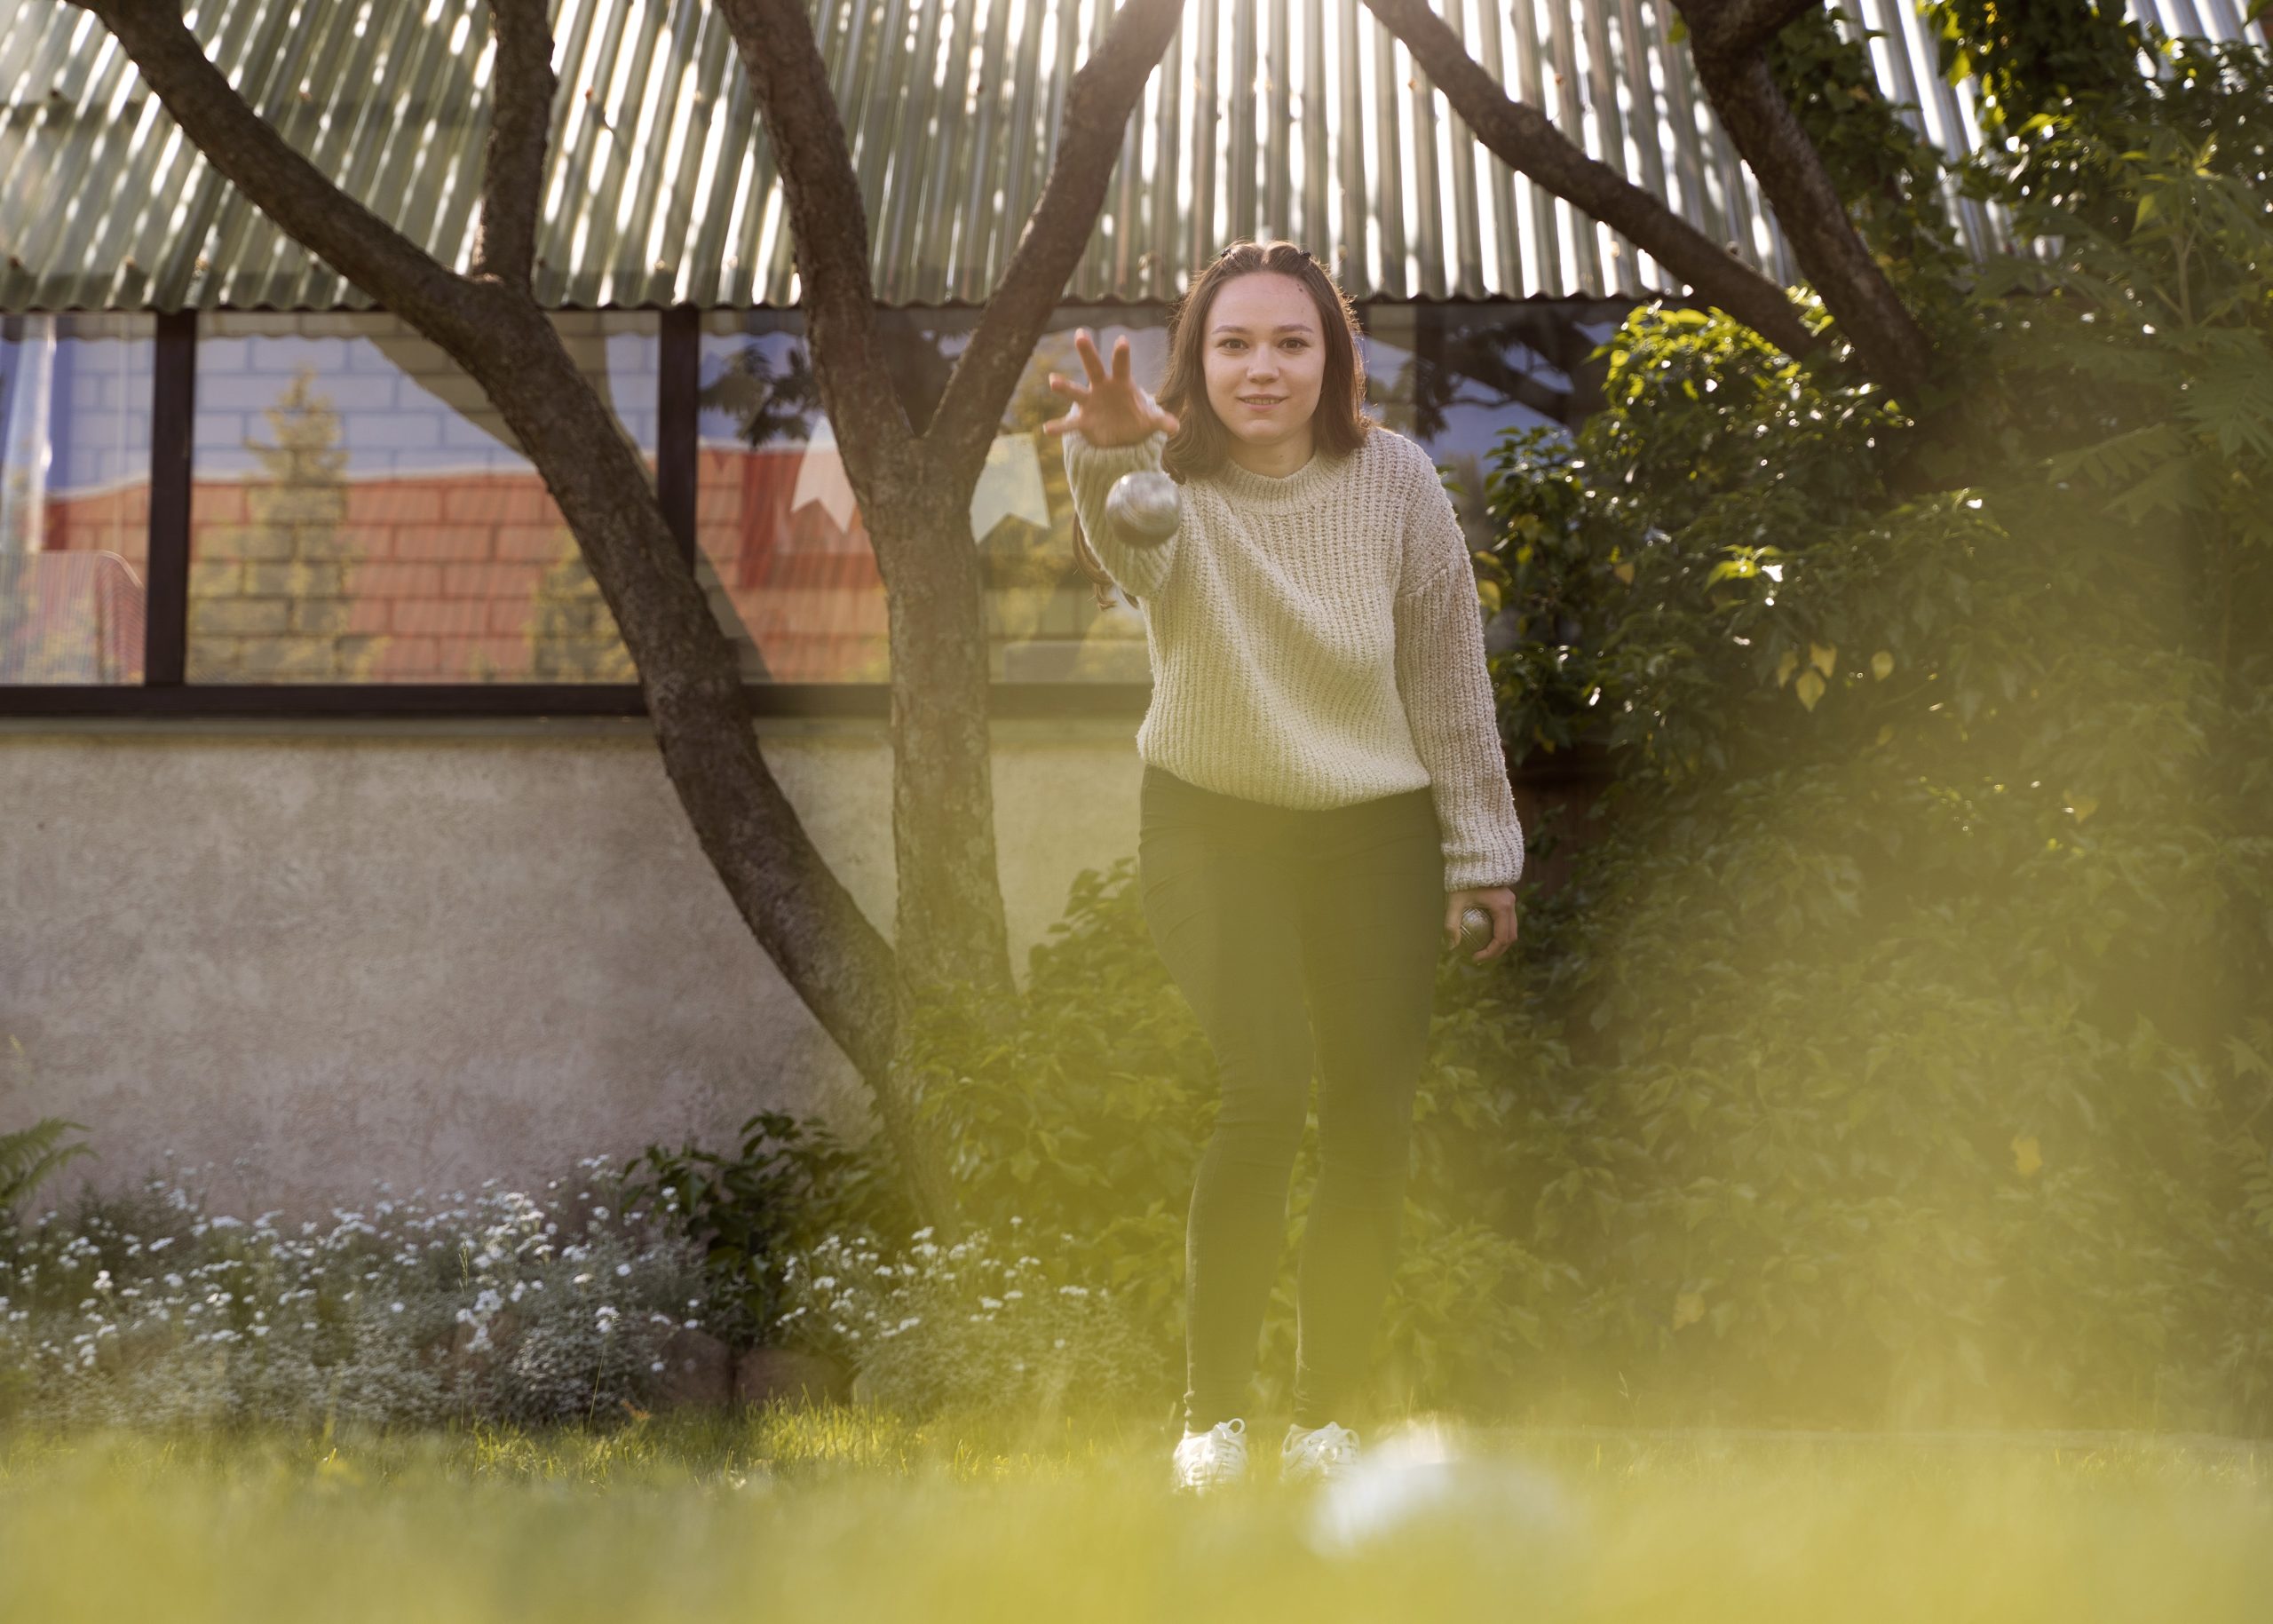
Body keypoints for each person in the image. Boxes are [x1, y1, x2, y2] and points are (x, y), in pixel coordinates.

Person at [1043, 240, 1525, 1494]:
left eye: (1291, 343)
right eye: (1235, 344)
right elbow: (1126, 544)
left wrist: (1482, 852)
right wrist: (1103, 451)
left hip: (1372, 826)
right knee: (1265, 1089)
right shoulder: (1166, 481)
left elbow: (1445, 677)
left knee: (1369, 1115)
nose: (1264, 367)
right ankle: (1213, 1423)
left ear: (1332, 357)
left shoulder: (1398, 482)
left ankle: (1329, 1420)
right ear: (1199, 364)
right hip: (1213, 826)